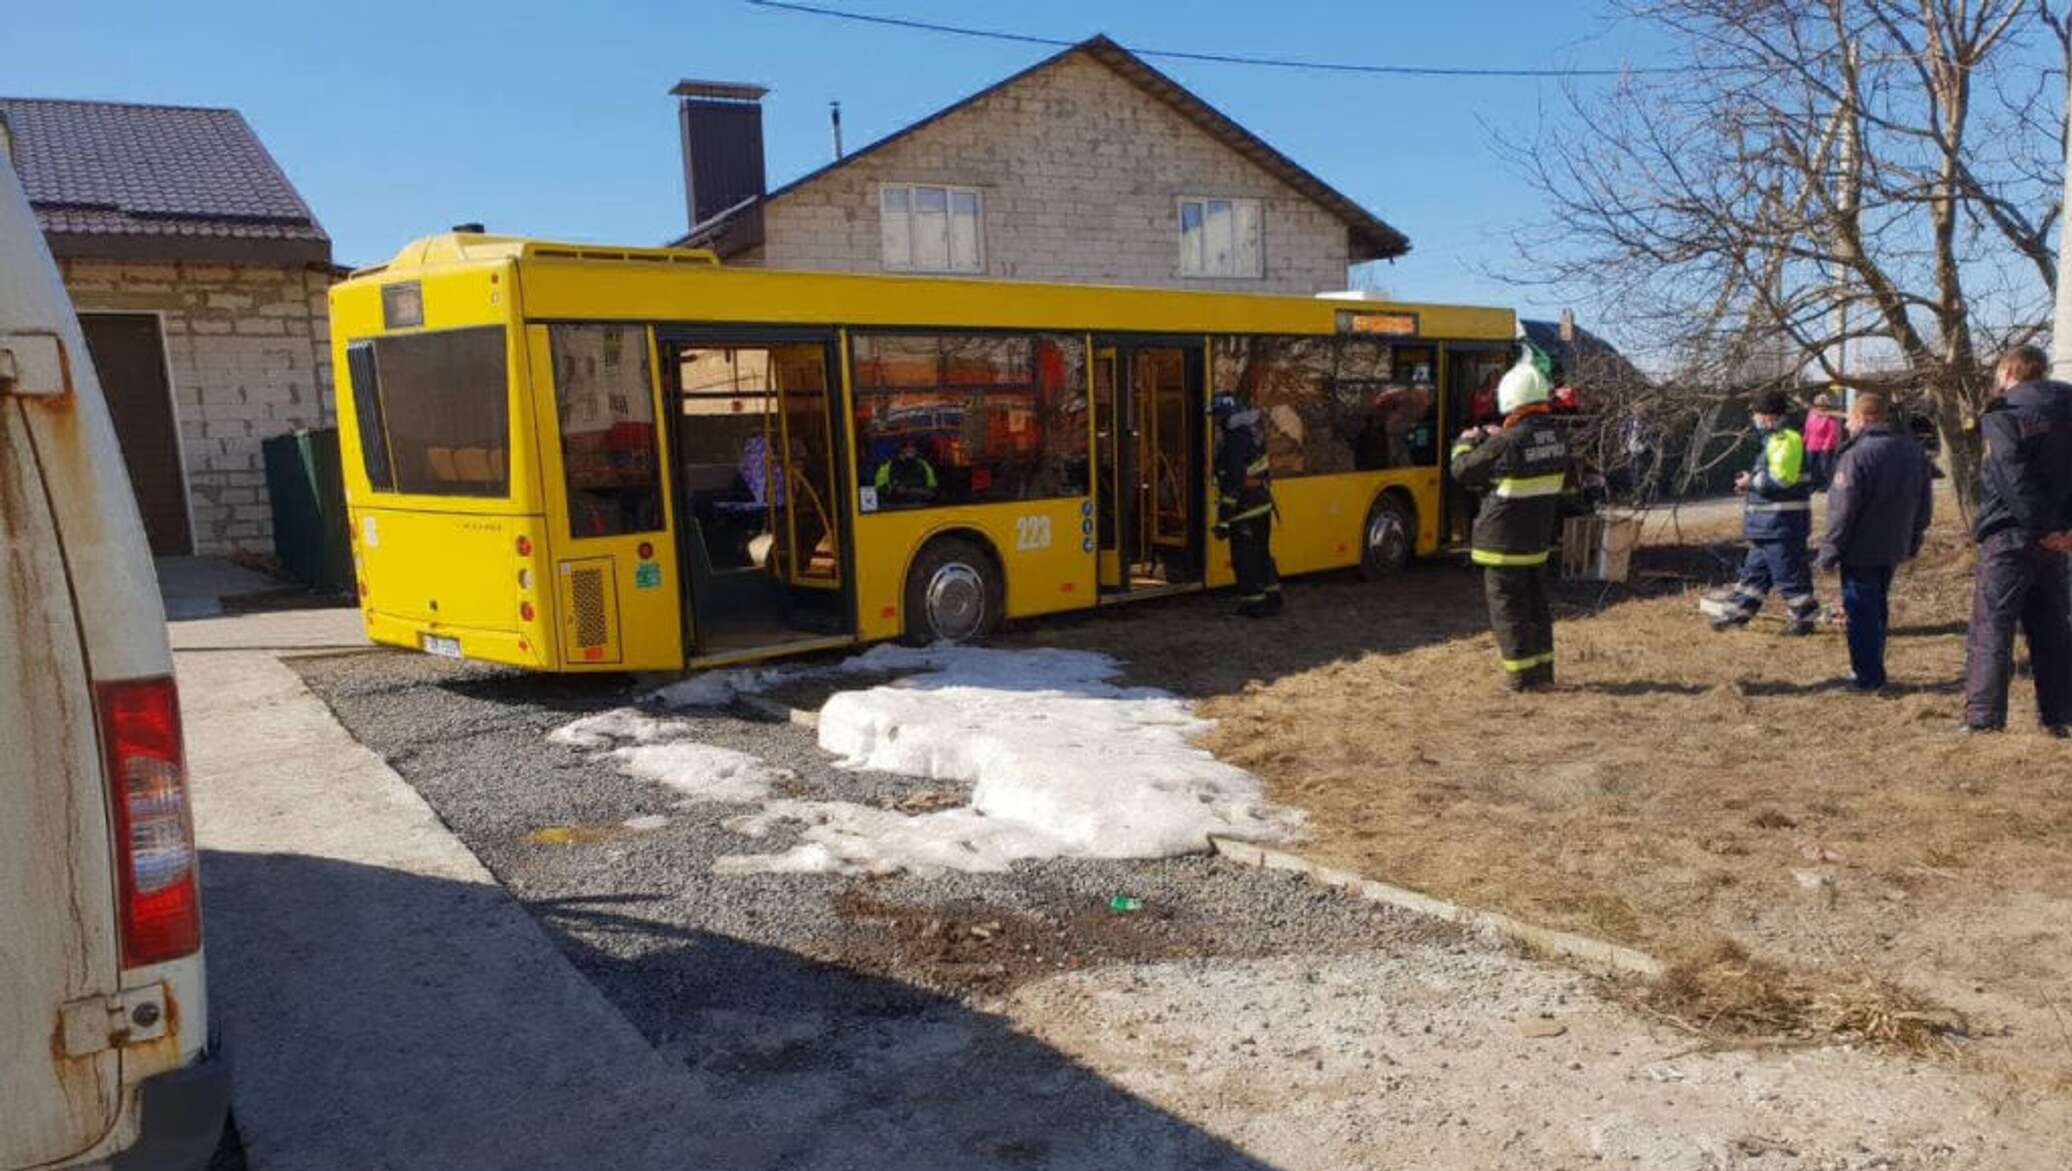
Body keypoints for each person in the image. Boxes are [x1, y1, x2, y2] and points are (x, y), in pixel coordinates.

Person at [1959, 345, 2072, 735]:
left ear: (2008, 372)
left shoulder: (2004, 415)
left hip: (2009, 534)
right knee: (2053, 628)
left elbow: (2013, 478)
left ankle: (1984, 718)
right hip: (2059, 541)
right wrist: (2064, 530)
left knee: (1993, 626)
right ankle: (2059, 715)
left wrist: (2042, 527)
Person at [1450, 358, 1569, 690]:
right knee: (1537, 609)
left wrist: (1467, 441)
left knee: (1508, 611)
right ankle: (1543, 675)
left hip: (1501, 543)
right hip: (1536, 542)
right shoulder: (1558, 436)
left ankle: (1518, 678)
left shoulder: (1505, 442)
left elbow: (1462, 470)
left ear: (1510, 400)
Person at [1814, 393, 1932, 691]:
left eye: (1850, 419)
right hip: (1894, 543)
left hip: (1860, 547)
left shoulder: (1856, 455)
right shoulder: (1912, 450)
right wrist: (1914, 540)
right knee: (1877, 608)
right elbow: (1924, 503)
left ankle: (1867, 676)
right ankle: (1872, 666)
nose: (1848, 426)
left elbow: (1843, 510)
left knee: (1860, 611)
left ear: (1864, 417)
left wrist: (1829, 552)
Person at [1702, 390, 1818, 635]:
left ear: (1767, 416)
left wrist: (1750, 482)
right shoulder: (1774, 440)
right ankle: (1737, 615)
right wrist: (1753, 481)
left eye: (1755, 413)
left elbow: (1781, 481)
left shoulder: (1785, 439)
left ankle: (1803, 618)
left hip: (1782, 525)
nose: (1753, 419)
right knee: (1753, 576)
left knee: (1789, 576)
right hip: (1768, 526)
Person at [1212, 393, 1281, 617]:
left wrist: (1223, 520)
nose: (1215, 422)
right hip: (1262, 505)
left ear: (1226, 417)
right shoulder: (1252, 434)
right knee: (1262, 553)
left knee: (1245, 560)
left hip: (1245, 510)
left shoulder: (1233, 441)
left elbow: (1232, 485)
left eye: (1217, 417)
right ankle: (1272, 596)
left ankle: (1254, 604)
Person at [873, 441, 937, 506]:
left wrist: (916, 491)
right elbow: (879, 487)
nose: (911, 449)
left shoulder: (923, 465)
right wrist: (892, 489)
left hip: (920, 505)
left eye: (913, 447)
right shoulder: (888, 466)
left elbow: (932, 487)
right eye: (907, 447)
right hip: (896, 507)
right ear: (901, 450)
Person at [1804, 391, 1842, 490]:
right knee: (1811, 467)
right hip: (1811, 445)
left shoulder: (1830, 416)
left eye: (1822, 405)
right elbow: (1807, 427)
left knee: (1825, 467)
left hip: (1824, 447)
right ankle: (1813, 484)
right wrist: (1805, 439)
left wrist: (1826, 446)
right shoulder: (1811, 413)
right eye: (1818, 405)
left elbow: (1832, 432)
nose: (1820, 407)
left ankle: (1826, 485)